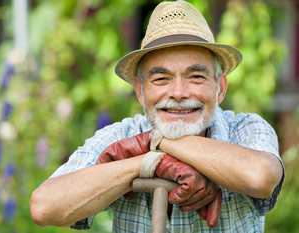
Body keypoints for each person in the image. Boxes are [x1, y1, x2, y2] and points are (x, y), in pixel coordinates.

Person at [30, 0, 284, 232]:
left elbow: (260, 176)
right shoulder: (121, 134)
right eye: (161, 79)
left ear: (220, 88)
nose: (179, 92)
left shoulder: (245, 128)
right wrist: (147, 163)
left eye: (196, 76)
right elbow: (45, 206)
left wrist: (159, 140)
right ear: (140, 91)